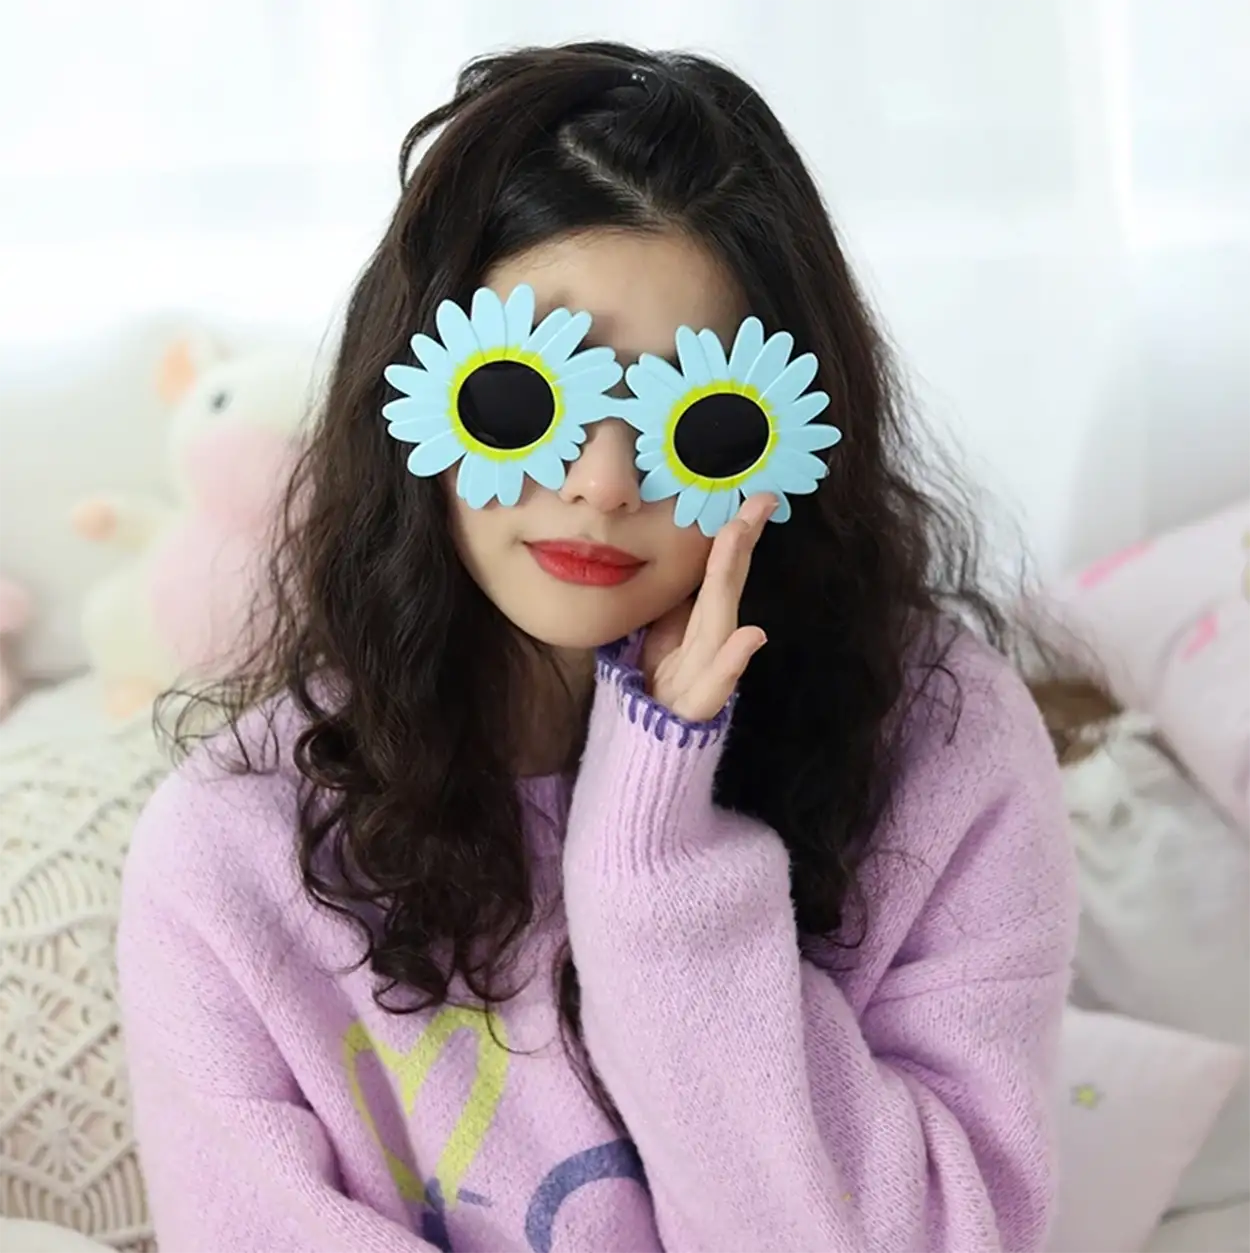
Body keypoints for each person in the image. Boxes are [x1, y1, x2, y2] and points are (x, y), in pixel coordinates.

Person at [117, 41, 1078, 1253]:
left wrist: (653, 851)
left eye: (698, 422)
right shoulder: (230, 854)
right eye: (524, 399)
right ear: (410, 396)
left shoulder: (938, 740)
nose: (604, 481)